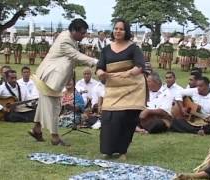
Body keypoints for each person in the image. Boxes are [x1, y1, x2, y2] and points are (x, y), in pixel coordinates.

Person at [29, 19, 98, 146]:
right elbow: (76, 56)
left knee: (44, 106)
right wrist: (95, 61)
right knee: (54, 108)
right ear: (73, 30)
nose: (84, 36)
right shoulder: (65, 40)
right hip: (49, 78)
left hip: (51, 78)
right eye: (82, 33)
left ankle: (36, 129)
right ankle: (55, 137)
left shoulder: (69, 37)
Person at [96, 18, 147, 160]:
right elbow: (100, 66)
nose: (118, 31)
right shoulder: (106, 49)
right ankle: (108, 150)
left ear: (126, 31)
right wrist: (101, 73)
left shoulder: (133, 48)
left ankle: (122, 151)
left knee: (125, 118)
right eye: (116, 28)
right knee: (108, 118)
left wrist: (128, 73)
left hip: (132, 88)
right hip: (113, 88)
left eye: (121, 29)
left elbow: (140, 66)